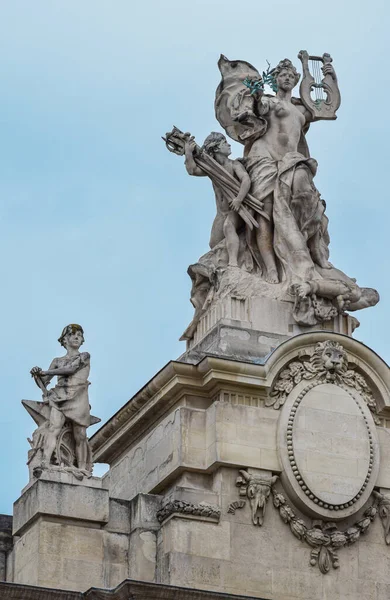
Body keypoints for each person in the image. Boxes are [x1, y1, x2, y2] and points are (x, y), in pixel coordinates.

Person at [215, 57, 338, 284]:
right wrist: (256, 95)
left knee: (312, 204)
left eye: (291, 76)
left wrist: (331, 77)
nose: (287, 78)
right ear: (275, 79)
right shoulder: (270, 102)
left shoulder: (302, 108)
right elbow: (257, 108)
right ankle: (271, 269)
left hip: (290, 161)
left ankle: (314, 255)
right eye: (282, 75)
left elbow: (328, 107)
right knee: (265, 215)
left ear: (297, 79)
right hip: (263, 159)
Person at [184, 132, 253, 268]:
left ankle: (233, 263)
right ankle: (222, 264)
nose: (229, 145)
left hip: (236, 209)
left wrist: (239, 199)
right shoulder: (212, 168)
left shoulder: (234, 165)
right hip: (221, 212)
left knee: (229, 226)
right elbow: (192, 170)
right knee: (214, 242)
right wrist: (188, 153)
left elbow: (246, 180)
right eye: (224, 143)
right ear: (216, 148)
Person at [30, 324, 91, 473]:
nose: (77, 337)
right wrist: (37, 375)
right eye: (73, 334)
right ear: (65, 340)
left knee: (80, 435)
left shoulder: (84, 356)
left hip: (78, 397)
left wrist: (45, 372)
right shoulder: (57, 361)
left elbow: (71, 369)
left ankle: (82, 469)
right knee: (53, 429)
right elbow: (44, 383)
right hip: (59, 397)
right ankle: (45, 462)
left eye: (80, 335)